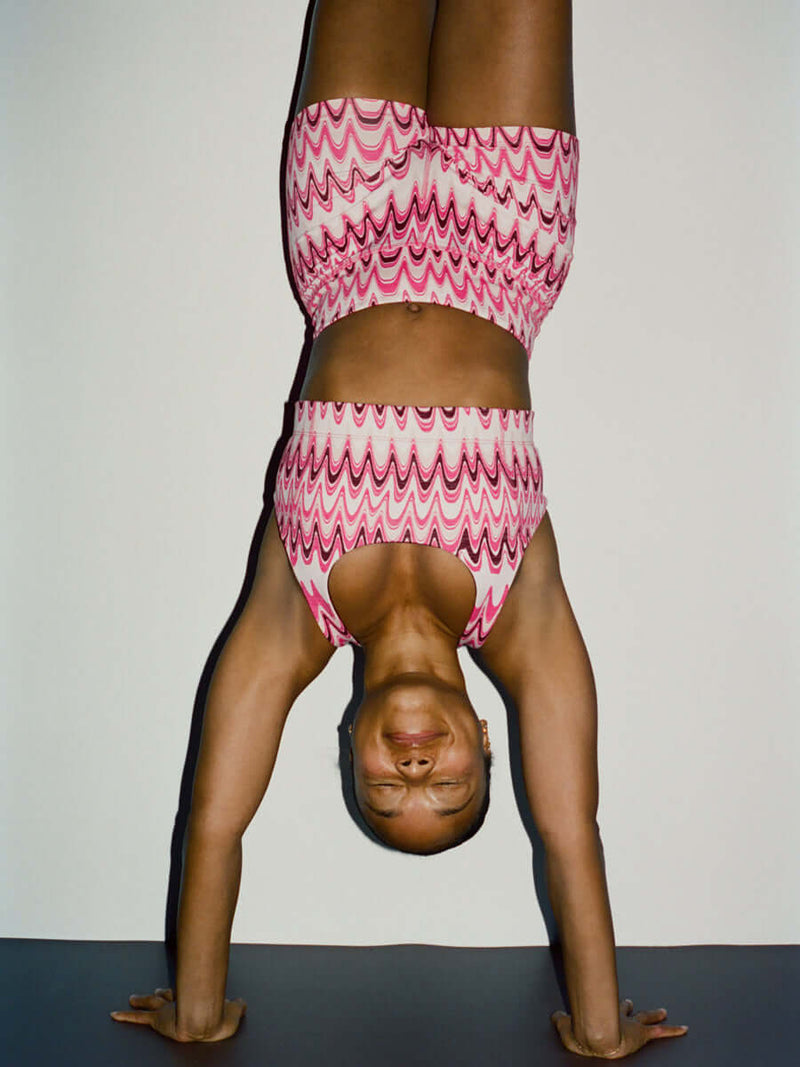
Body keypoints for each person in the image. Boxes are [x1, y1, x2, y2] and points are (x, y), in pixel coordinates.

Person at [111, 1, 688, 1057]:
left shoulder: (296, 610)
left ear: (347, 744)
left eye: (385, 791)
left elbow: (214, 820)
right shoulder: (522, 619)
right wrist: (601, 1030)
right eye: (448, 787)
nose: (415, 773)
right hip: (505, 235)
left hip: (345, 227)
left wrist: (197, 1013)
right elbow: (570, 831)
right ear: (485, 742)